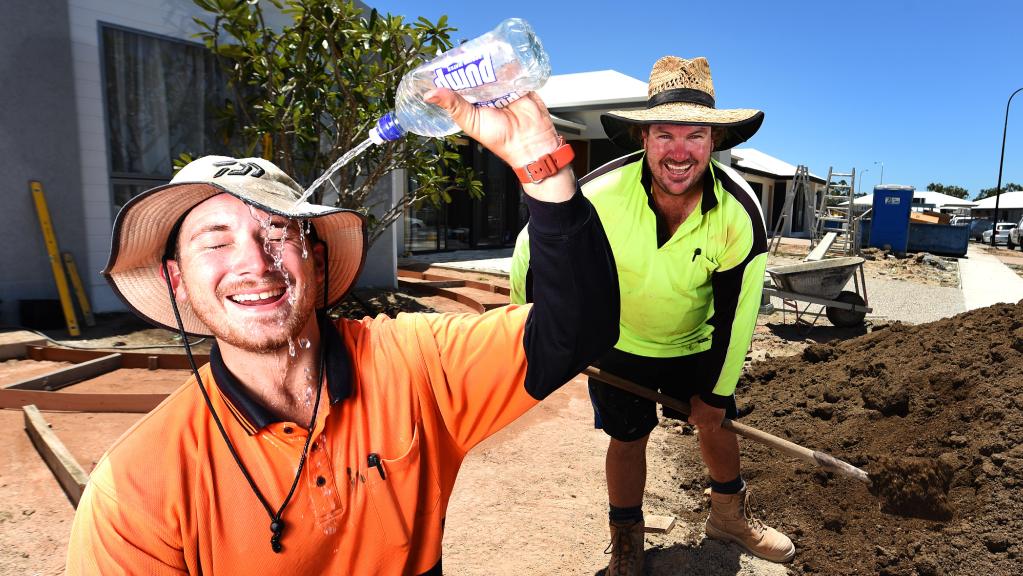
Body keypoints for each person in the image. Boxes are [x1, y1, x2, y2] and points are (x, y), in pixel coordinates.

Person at [66, 87, 619, 575]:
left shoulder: (414, 365)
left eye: (277, 231)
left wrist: (538, 161)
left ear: (318, 259)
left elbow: (579, 328)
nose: (255, 264)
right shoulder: (138, 485)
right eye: (214, 241)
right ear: (176, 280)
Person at [510, 56, 794, 575]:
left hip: (698, 341)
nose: (680, 152)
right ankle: (626, 539)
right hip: (618, 344)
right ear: (644, 138)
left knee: (719, 425)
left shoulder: (739, 210)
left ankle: (729, 518)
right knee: (627, 438)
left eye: (695, 136)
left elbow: (739, 312)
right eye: (665, 135)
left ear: (714, 142)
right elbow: (532, 249)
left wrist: (715, 393)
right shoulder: (599, 194)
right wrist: (536, 332)